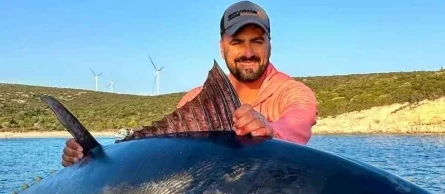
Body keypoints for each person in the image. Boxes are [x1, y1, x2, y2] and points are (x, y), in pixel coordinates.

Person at [61, 1, 317, 167]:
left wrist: (270, 132)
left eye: (257, 41)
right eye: (237, 42)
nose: (248, 52)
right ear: (222, 46)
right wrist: (90, 161)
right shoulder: (196, 100)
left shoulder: (295, 93)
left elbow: (294, 126)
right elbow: (165, 156)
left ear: (270, 43)